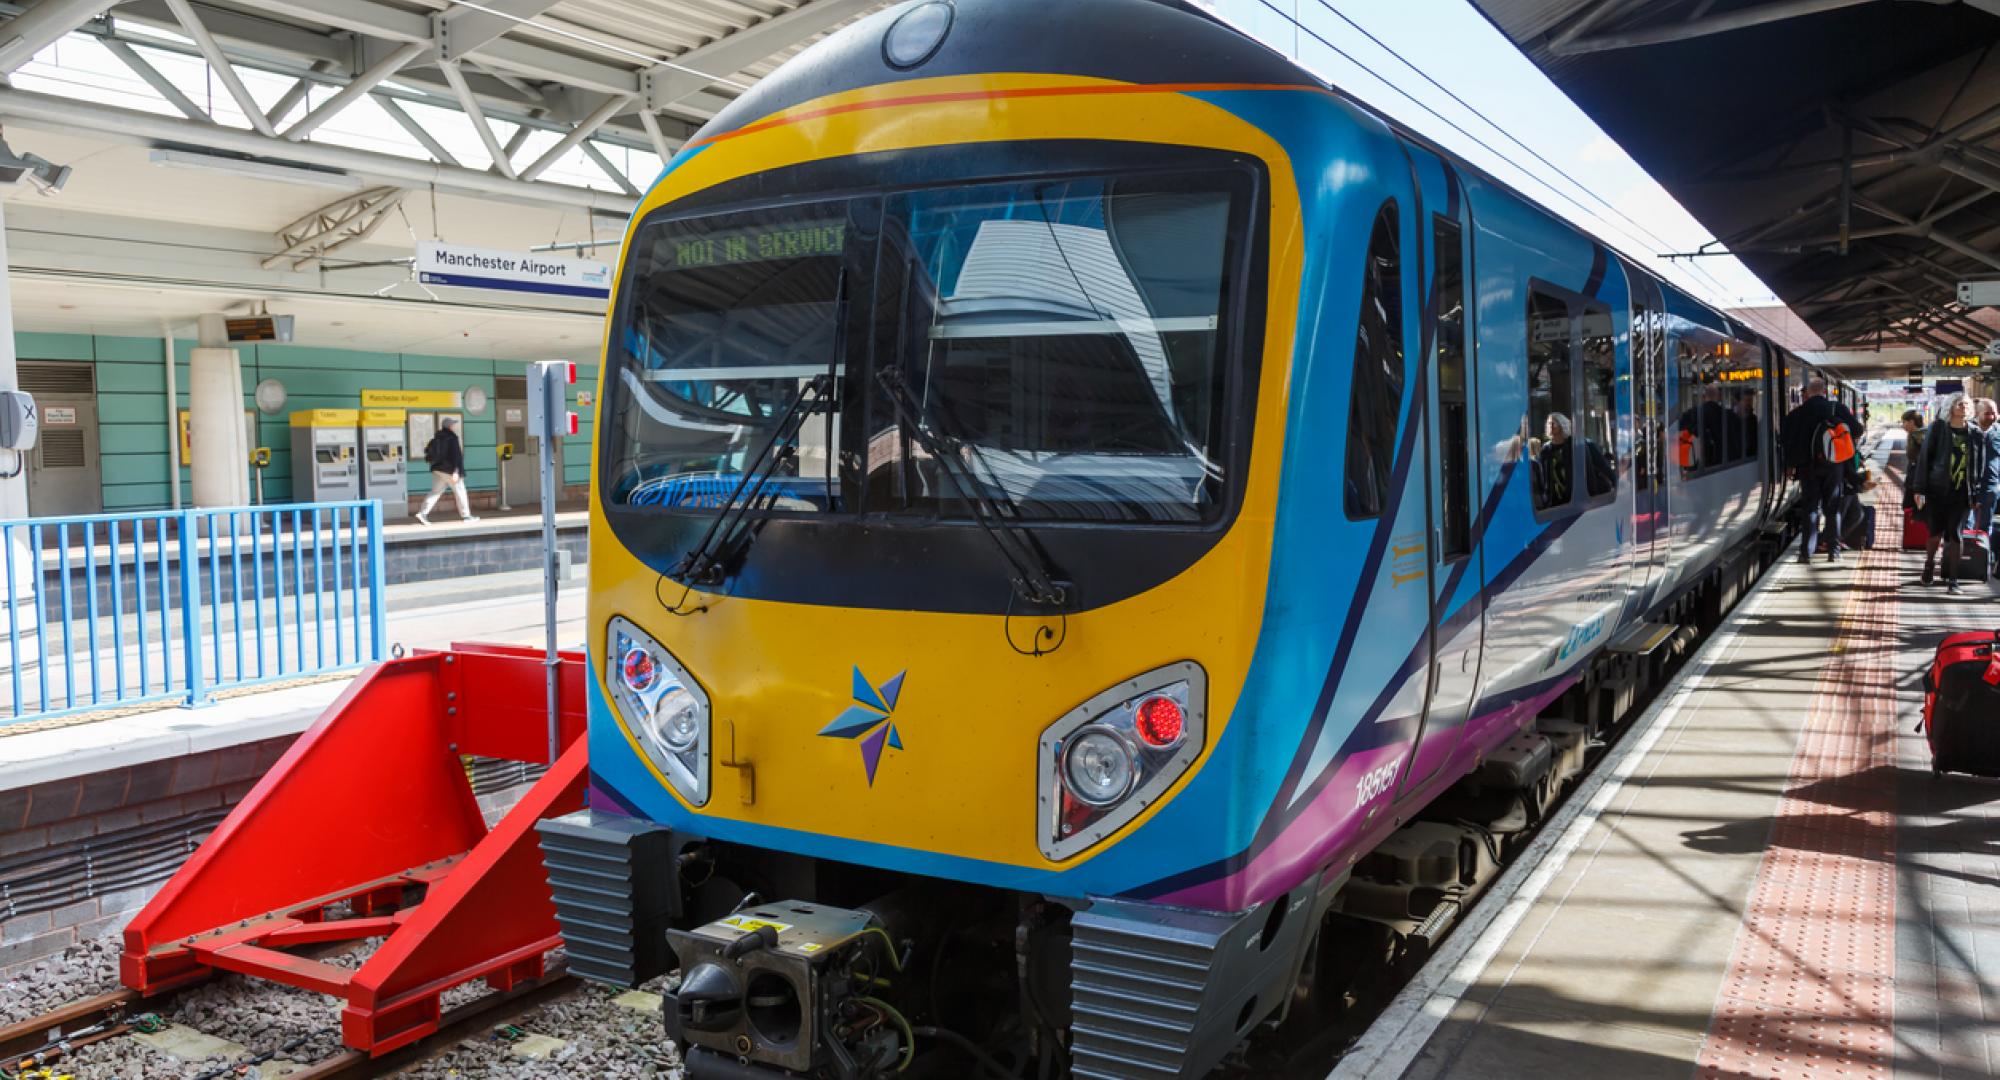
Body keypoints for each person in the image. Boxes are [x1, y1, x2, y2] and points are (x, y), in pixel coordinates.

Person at [1779, 376, 1863, 564]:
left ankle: (1806, 553)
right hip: (1834, 467)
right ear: (1824, 392)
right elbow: (1857, 430)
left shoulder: (1797, 414)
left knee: (1811, 508)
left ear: (1807, 393)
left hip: (1807, 468)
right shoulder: (1835, 408)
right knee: (1832, 509)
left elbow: (1784, 439)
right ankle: (1834, 552)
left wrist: (1791, 465)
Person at [1912, 394, 1991, 593]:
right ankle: (1929, 565)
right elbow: (1924, 459)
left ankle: (1953, 580)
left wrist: (1977, 494)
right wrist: (1919, 489)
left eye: (1965, 404)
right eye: (1959, 403)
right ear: (1950, 407)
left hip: (1962, 492)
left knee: (1956, 535)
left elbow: (1980, 465)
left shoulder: (1975, 432)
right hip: (1937, 490)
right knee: (1935, 533)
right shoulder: (1938, 428)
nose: (1963, 406)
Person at [417, 416, 478, 525]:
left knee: (435, 492)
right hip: (449, 470)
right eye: (453, 424)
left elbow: (429, 452)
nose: (454, 426)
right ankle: (466, 516)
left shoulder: (437, 437)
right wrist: (456, 471)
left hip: (437, 469)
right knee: (461, 492)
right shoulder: (452, 438)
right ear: (450, 426)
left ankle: (422, 513)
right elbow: (456, 456)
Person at [1975, 398, 2000, 536]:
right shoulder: (1968, 432)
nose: (1992, 416)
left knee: (1986, 524)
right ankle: (1964, 554)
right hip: (1969, 487)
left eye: (1994, 413)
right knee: (1966, 523)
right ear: (1977, 413)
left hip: (1991, 486)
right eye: (1988, 413)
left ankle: (1983, 554)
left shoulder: (1999, 432)